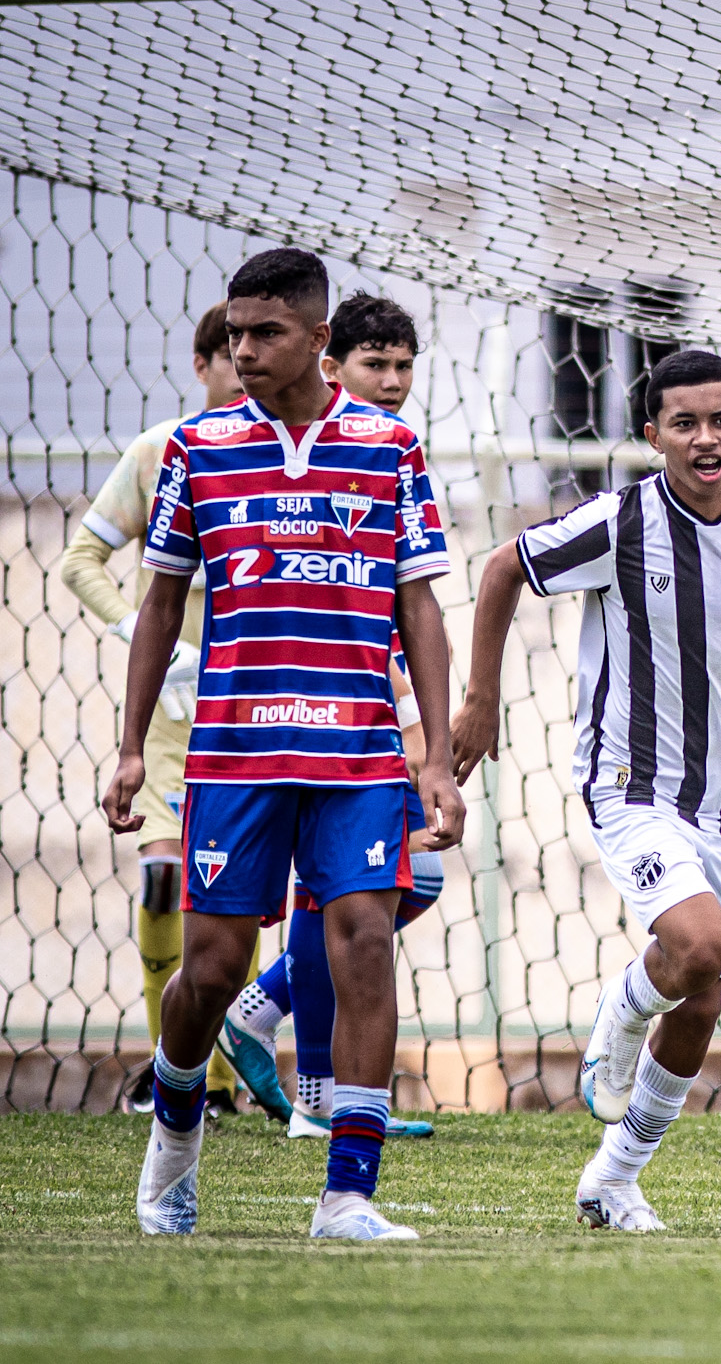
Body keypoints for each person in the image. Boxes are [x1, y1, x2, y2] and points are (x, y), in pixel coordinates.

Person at [452, 349, 721, 1232]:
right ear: (653, 436)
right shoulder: (621, 521)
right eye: (685, 424)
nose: (705, 439)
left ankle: (613, 1176)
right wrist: (480, 701)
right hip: (631, 782)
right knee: (697, 945)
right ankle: (623, 1008)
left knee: (704, 989)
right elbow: (500, 570)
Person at [104, 247, 464, 1239]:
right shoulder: (196, 450)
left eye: (263, 332)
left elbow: (419, 606)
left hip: (356, 749)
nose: (241, 347)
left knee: (361, 948)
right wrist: (132, 746)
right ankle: (175, 1128)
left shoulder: (390, 447)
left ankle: (347, 1194)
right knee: (213, 970)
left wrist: (433, 754)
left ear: (316, 341)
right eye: (232, 331)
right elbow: (159, 601)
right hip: (233, 749)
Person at [212, 292, 441, 1139]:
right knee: (341, 907)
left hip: (363, 719)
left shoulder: (391, 454)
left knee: (367, 903)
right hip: (260, 720)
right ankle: (284, 1055)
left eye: (403, 365)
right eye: (374, 365)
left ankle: (296, 1063)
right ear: (329, 361)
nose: (391, 381)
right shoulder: (218, 449)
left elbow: (403, 608)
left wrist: (427, 730)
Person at [61, 302, 256, 1119]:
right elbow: (81, 559)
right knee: (165, 880)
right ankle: (184, 1078)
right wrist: (149, 640)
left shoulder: (285, 454)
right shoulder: (158, 452)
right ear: (203, 362)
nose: (244, 369)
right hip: (176, 712)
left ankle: (229, 1073)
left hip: (255, 705)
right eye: (230, 355)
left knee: (238, 897)